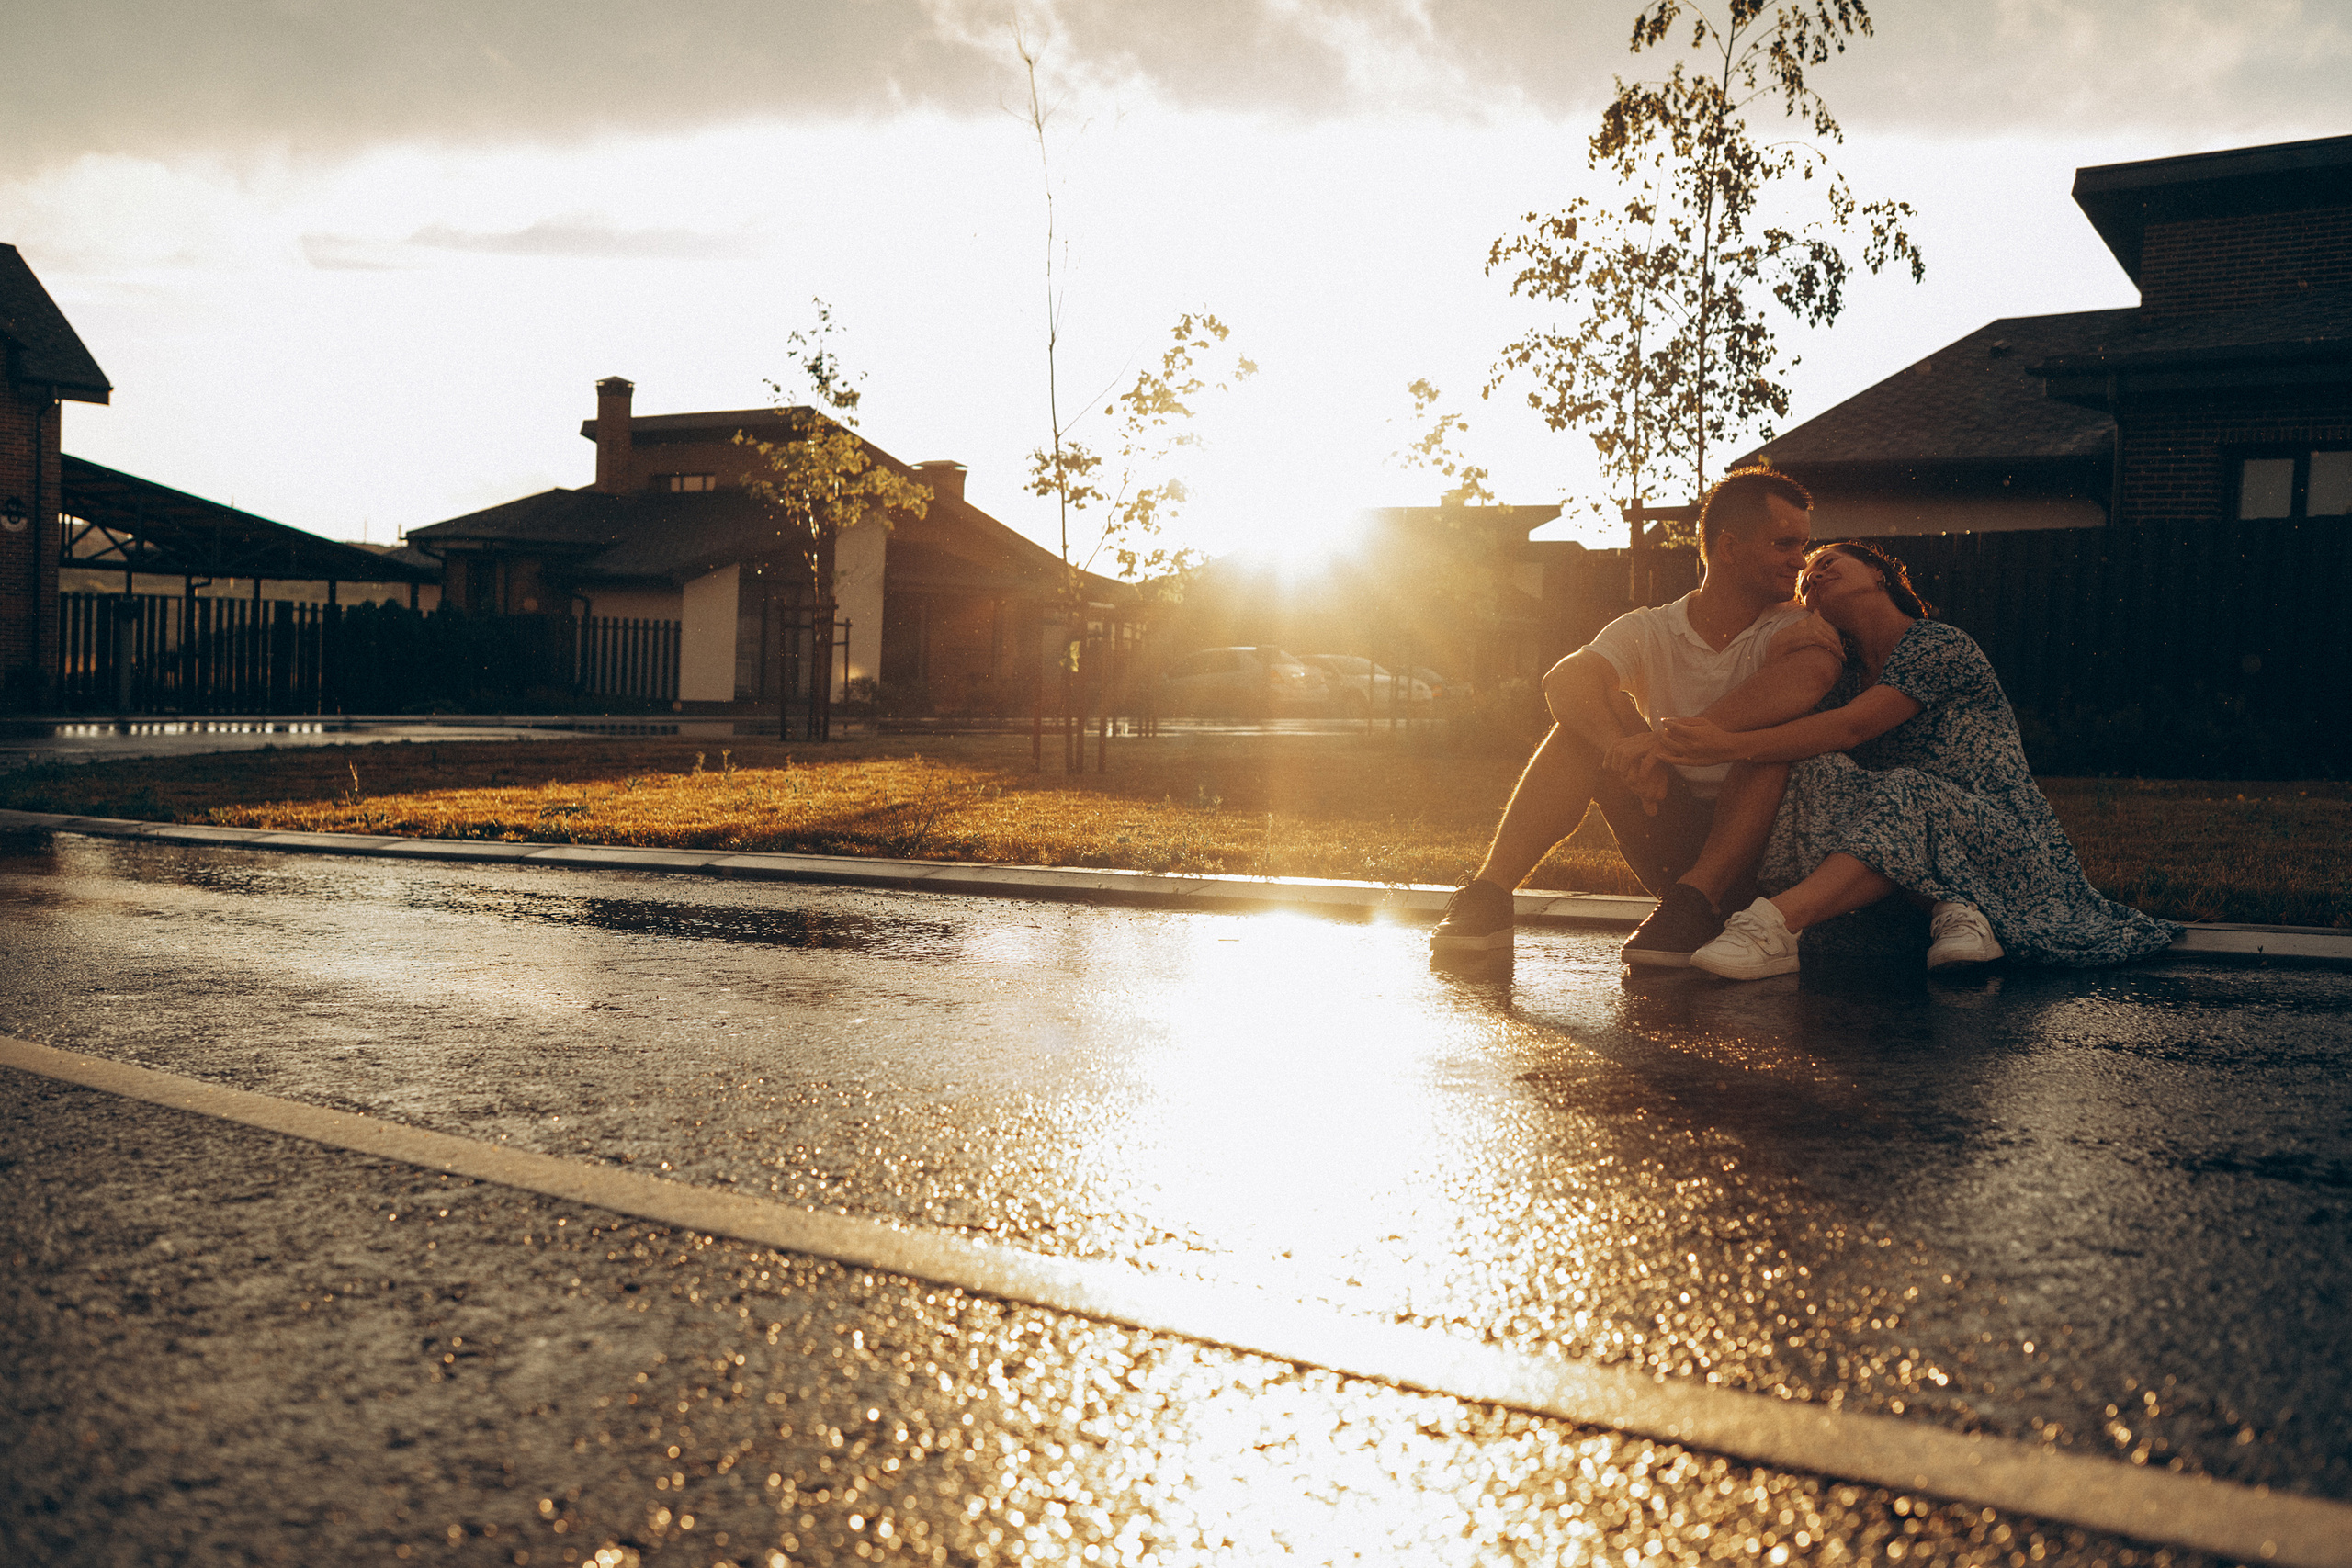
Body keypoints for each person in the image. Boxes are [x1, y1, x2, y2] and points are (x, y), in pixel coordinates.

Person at [1656, 540, 2179, 980]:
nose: (1813, 576)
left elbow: (1854, 727)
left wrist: (1725, 744)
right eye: (1807, 580)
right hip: (1910, 825)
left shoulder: (1938, 645)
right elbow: (1804, 737)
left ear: (1879, 574)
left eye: (1829, 563)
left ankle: (1774, 927)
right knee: (1817, 768)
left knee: (1905, 785)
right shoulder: (1844, 675)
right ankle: (1956, 910)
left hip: (1997, 831)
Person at [1429, 468, 1847, 964]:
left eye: (1803, 546)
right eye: (1784, 545)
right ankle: (1489, 897)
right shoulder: (1651, 628)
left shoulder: (1796, 623)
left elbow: (1809, 679)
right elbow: (1564, 681)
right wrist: (1622, 751)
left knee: (1766, 745)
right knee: (1576, 733)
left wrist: (1666, 742)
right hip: (1667, 823)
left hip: (1765, 858)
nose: (1800, 563)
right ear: (1729, 548)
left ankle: (1699, 901)